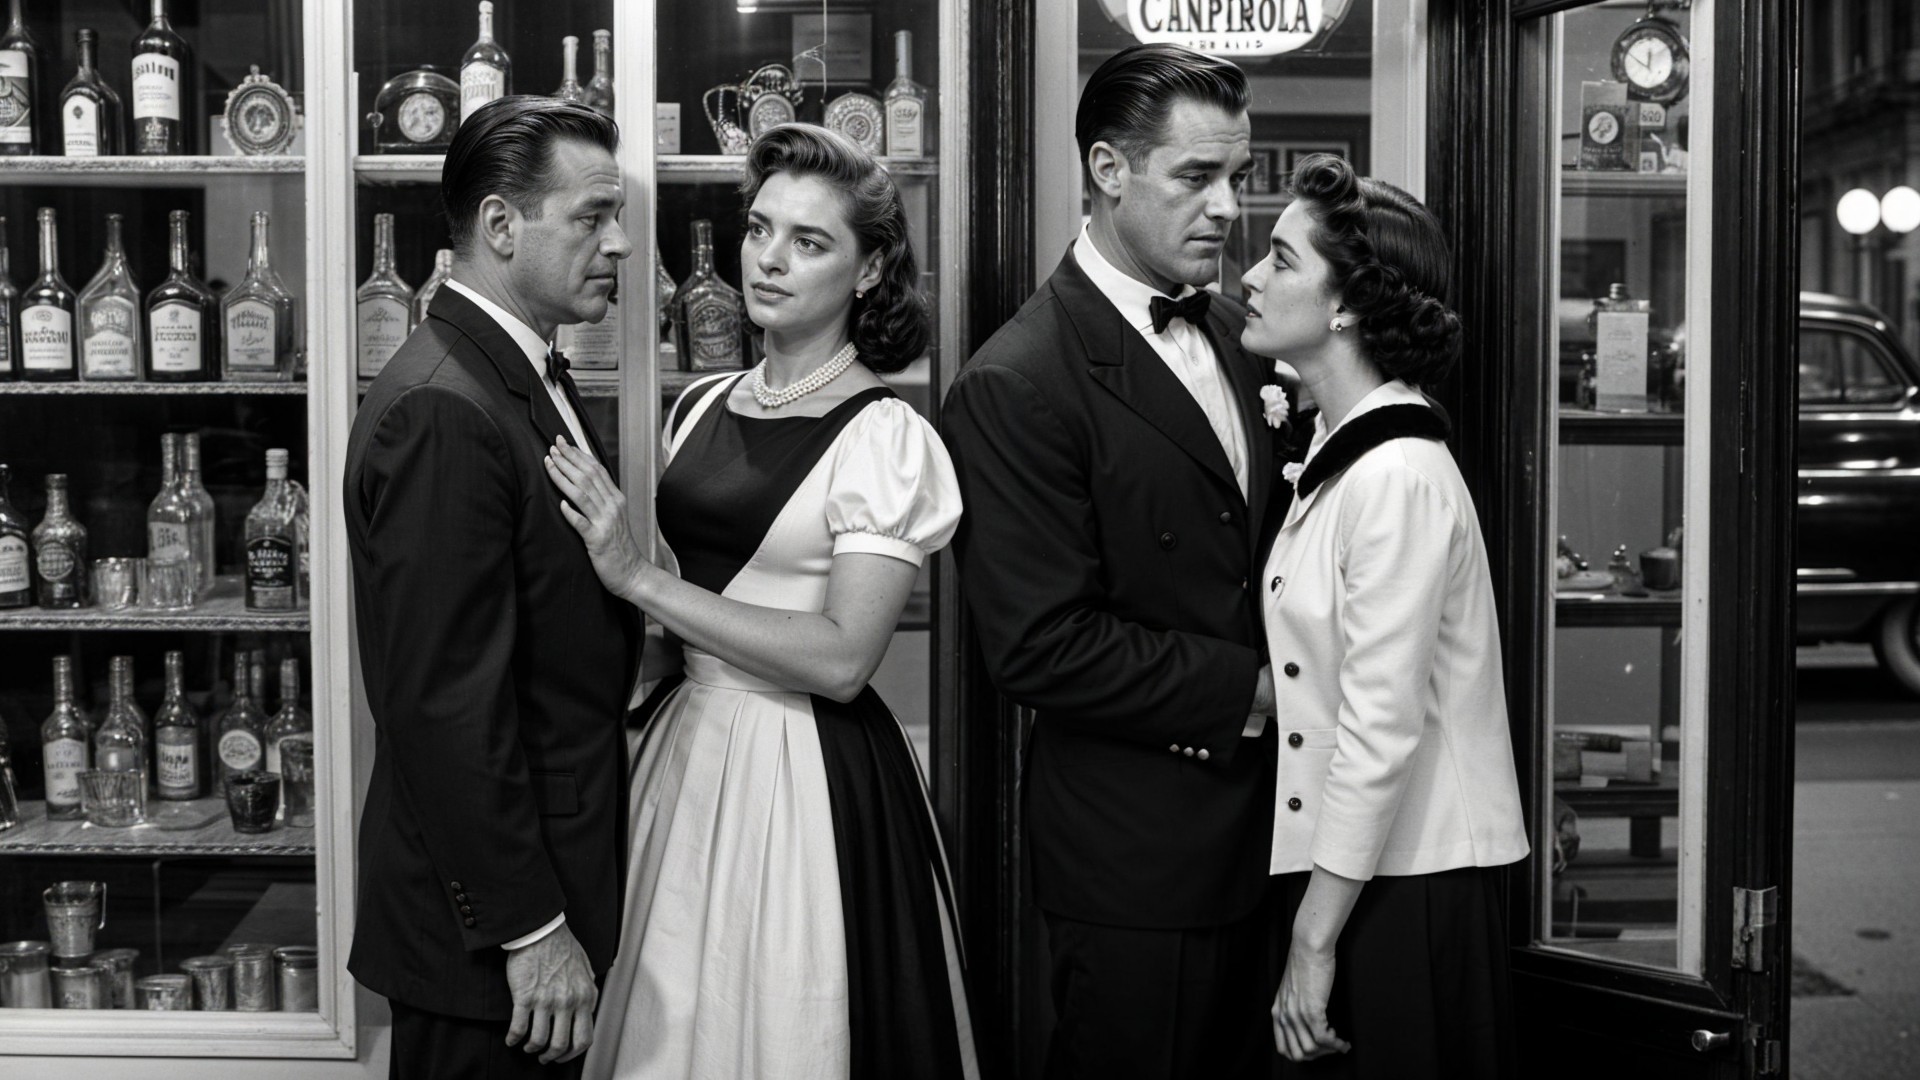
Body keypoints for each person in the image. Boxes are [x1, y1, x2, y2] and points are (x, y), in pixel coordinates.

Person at [547, 124, 978, 1080]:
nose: (769, 260)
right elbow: (679, 632)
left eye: (810, 242)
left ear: (869, 274)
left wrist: (639, 579)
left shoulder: (886, 435)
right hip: (681, 749)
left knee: (784, 1019)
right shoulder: (700, 405)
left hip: (808, 764)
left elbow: (841, 657)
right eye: (758, 229)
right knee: (669, 1016)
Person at [941, 44, 1284, 1079]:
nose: (1227, 207)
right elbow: (1042, 647)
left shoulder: (1242, 331)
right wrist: (1266, 691)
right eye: (1195, 178)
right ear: (1106, 169)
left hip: (1280, 834)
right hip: (1139, 860)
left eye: (1239, 177)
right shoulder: (1017, 379)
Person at [342, 96, 640, 1078]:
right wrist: (529, 929)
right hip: (492, 944)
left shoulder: (514, 374)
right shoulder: (444, 411)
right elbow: (443, 707)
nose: (621, 243)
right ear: (502, 227)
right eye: (592, 217)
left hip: (542, 889)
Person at [1243, 153, 1530, 1078]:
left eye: (1281, 259)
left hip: (1409, 888)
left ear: (1346, 308)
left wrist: (1314, 938)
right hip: (1362, 876)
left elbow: (1380, 729)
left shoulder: (1396, 476)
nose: (1249, 275)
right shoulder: (1347, 449)